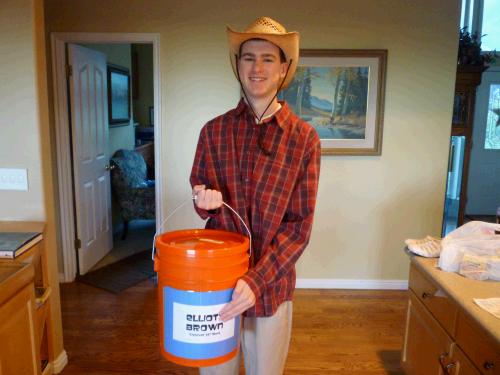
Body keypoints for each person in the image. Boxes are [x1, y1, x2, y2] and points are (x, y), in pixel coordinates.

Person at [190, 16, 321, 375]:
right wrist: (201, 200)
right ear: (238, 66)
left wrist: (255, 280)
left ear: (283, 69)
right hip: (216, 284)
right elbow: (200, 196)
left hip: (271, 285)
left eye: (267, 58)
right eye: (249, 57)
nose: (257, 67)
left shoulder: (303, 139)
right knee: (216, 370)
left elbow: (299, 227)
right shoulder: (212, 132)